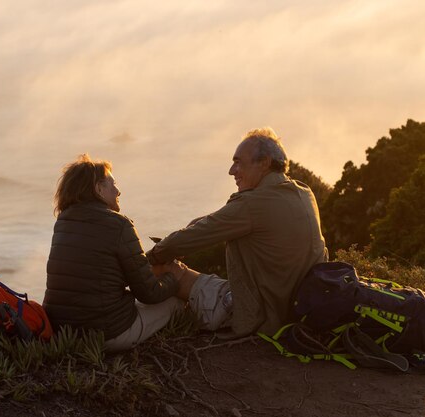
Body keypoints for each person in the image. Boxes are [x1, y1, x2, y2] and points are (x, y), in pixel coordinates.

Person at [147, 127, 328, 337]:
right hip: (295, 309)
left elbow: (176, 245)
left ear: (265, 162)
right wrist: (192, 230)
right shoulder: (303, 192)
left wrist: (150, 257)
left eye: (238, 162)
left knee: (165, 269)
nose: (231, 171)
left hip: (260, 316)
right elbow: (215, 221)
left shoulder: (251, 205)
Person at [43, 154, 189, 351]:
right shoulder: (119, 225)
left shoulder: (63, 223)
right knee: (176, 303)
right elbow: (149, 294)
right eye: (112, 184)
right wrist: (174, 277)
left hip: (63, 333)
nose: (118, 191)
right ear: (98, 189)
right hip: (108, 334)